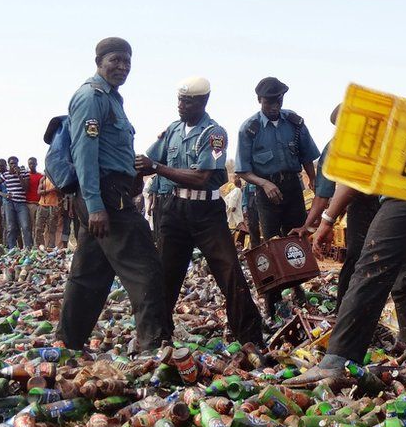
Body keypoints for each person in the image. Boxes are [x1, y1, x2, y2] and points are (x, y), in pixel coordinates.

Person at [285, 160, 406, 385]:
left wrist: (327, 221)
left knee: (371, 269)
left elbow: (353, 179)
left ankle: (336, 362)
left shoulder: (369, 128)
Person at [56, 37, 170, 352]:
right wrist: (95, 206)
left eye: (126, 61)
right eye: (115, 60)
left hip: (109, 191)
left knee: (90, 270)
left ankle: (68, 342)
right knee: (145, 266)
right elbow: (84, 154)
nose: (122, 67)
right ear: (99, 61)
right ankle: (155, 347)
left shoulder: (112, 99)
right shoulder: (92, 97)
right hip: (104, 196)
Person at [136, 76, 264, 346]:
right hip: (174, 209)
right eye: (180, 99)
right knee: (166, 275)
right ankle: (157, 336)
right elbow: (147, 159)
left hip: (206, 211)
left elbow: (202, 177)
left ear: (203, 101)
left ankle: (250, 337)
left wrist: (157, 168)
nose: (181, 105)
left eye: (188, 100)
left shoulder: (214, 134)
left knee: (229, 271)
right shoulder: (172, 130)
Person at [235, 77, 320, 310]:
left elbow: (307, 155)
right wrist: (264, 184)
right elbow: (243, 170)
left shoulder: (294, 122)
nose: (274, 106)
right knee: (271, 241)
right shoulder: (249, 129)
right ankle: (273, 297)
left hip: (292, 187)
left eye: (278, 101)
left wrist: (312, 179)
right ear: (259, 100)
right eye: (269, 102)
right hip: (267, 192)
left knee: (296, 238)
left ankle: (297, 286)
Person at [291, 104, 381, 310]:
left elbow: (326, 196)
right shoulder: (336, 148)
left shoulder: (375, 139)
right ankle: (345, 311)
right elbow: (324, 195)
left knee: (374, 259)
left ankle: (362, 311)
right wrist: (309, 225)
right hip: (366, 203)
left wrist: (322, 223)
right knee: (359, 258)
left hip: (383, 203)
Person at [0, 156, 32, 248]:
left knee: (25, 226)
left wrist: (19, 175)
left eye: (15, 163)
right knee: (10, 227)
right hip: (9, 203)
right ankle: (11, 249)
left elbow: (26, 189)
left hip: (21, 203)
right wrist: (3, 194)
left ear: (18, 163)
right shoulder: (5, 175)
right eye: (11, 163)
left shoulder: (24, 173)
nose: (13, 165)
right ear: (8, 164)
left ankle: (28, 249)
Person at [34, 173, 61, 248]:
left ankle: (50, 247)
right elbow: (39, 192)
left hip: (54, 206)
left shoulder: (57, 178)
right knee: (39, 228)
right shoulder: (43, 179)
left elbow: (61, 191)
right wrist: (52, 190)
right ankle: (38, 246)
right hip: (42, 205)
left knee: (52, 229)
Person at [25, 157, 42, 244]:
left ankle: (35, 245)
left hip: (36, 204)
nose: (31, 165)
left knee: (36, 226)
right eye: (30, 164)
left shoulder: (41, 176)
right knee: (27, 226)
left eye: (33, 163)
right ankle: (28, 245)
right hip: (26, 204)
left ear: (36, 164)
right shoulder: (25, 176)